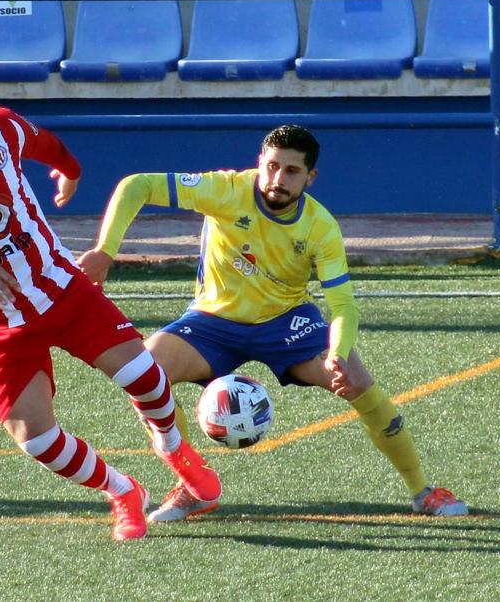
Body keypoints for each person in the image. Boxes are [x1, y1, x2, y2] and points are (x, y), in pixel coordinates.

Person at [0, 51, 220, 541]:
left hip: (58, 284)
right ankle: (123, 491)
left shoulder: (0, 126)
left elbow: (45, 142)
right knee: (36, 439)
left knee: (145, 377)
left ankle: (175, 452)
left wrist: (70, 169)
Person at [79, 124, 468, 522]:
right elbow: (137, 185)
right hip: (213, 320)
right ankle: (194, 484)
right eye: (272, 166)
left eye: (292, 171)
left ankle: (423, 491)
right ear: (259, 162)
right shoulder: (225, 190)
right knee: (144, 374)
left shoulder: (320, 226)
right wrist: (105, 251)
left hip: (286, 322)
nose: (278, 179)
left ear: (310, 177)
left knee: (358, 382)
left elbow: (343, 307)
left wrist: (336, 353)